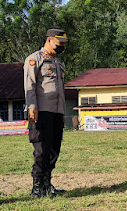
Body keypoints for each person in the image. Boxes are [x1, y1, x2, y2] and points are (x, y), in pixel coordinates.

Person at [24, 29, 67, 198]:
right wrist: (32, 106)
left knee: (54, 149)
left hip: (56, 112)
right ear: (49, 40)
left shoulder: (58, 63)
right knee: (41, 149)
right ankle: (37, 189)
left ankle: (47, 185)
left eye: (63, 44)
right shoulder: (35, 59)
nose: (62, 47)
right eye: (59, 44)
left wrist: (62, 111)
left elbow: (60, 90)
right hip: (41, 111)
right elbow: (30, 85)